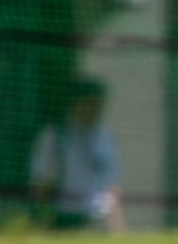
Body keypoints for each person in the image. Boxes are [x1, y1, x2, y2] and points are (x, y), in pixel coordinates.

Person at [29, 78, 123, 233]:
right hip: (62, 219)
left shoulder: (105, 138)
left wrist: (116, 228)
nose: (93, 110)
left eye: (97, 105)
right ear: (74, 104)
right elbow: (41, 183)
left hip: (96, 221)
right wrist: (43, 222)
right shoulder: (55, 136)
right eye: (88, 104)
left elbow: (111, 185)